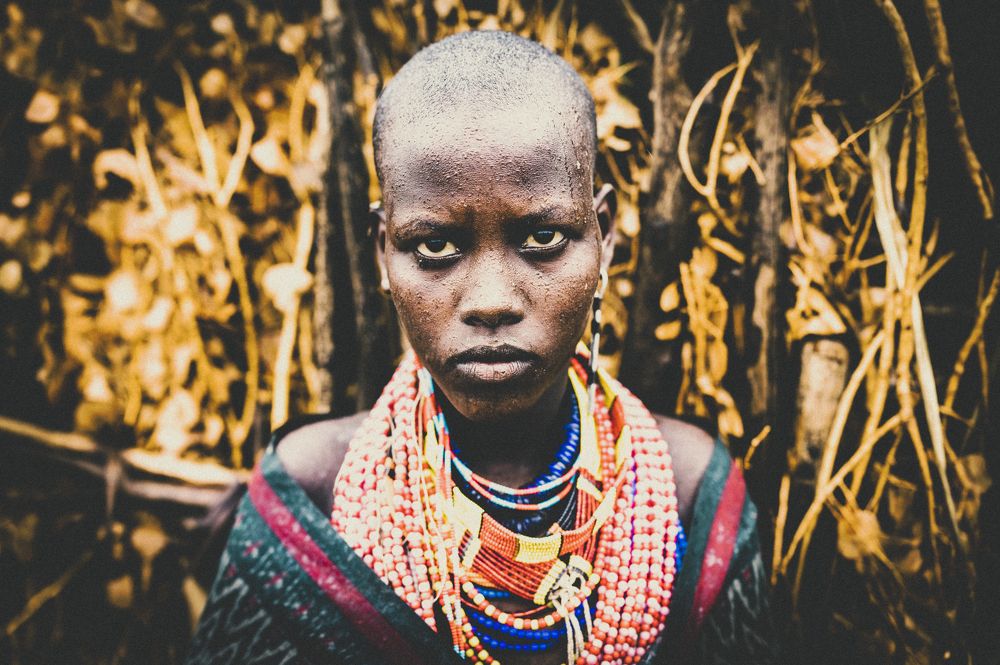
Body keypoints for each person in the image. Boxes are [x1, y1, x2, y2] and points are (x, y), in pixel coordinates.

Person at [186, 30, 776, 665]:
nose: (491, 300)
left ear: (603, 237)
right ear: (383, 251)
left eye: (543, 238)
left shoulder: (692, 496)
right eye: (435, 246)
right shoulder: (310, 498)